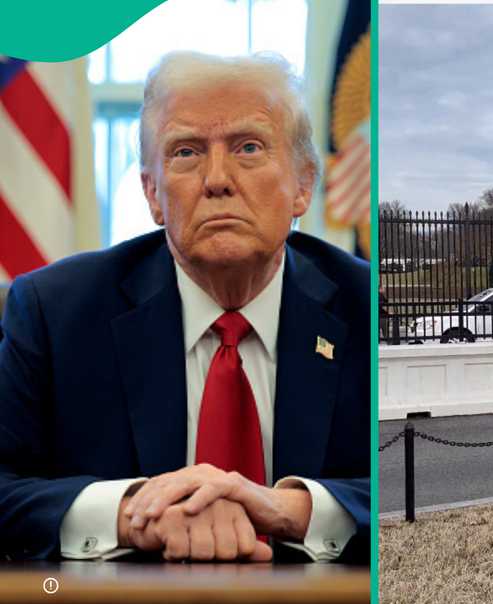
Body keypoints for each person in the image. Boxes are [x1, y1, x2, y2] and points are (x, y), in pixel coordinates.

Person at [0, 52, 369, 564]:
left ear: (303, 184)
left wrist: (293, 508)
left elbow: (405, 478)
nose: (217, 178)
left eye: (248, 147)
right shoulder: (54, 312)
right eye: (186, 153)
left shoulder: (365, 306)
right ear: (153, 193)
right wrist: (133, 514)